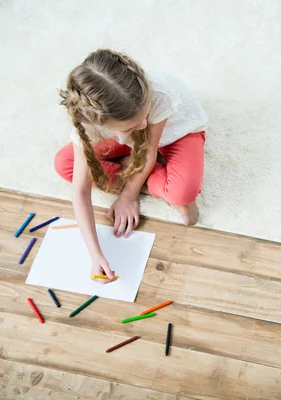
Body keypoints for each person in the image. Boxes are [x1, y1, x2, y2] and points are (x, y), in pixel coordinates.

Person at [54, 49, 208, 283]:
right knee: (65, 164)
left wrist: (128, 196)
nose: (143, 124)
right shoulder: (88, 125)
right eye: (131, 125)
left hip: (174, 133)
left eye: (144, 116)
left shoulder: (158, 96)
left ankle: (141, 174)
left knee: (183, 193)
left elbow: (148, 151)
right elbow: (80, 190)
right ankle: (146, 174)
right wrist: (95, 254)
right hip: (128, 141)